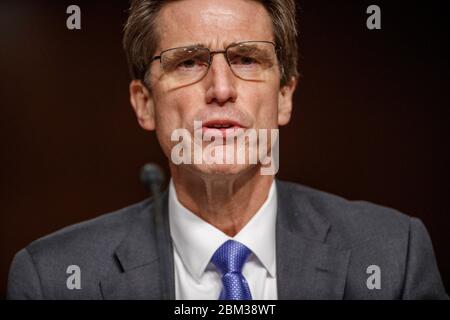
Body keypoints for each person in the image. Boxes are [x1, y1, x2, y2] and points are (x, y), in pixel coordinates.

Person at [7, 0, 448, 300]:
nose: (220, 88)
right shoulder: (53, 277)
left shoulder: (393, 256)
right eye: (188, 61)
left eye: (247, 59)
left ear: (285, 96)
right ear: (144, 103)